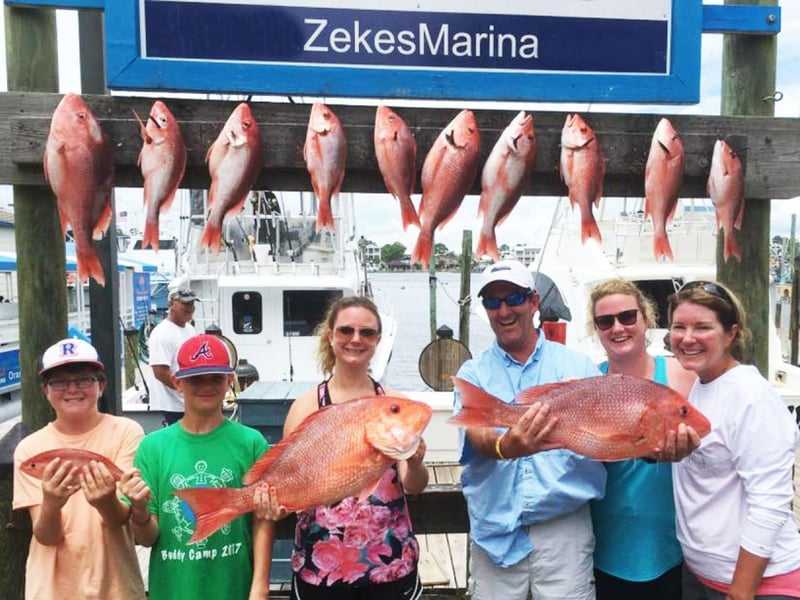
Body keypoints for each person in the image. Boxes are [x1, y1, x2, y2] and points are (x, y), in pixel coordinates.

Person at [454, 259, 606, 600]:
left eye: (514, 298)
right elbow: (476, 433)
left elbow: (602, 436)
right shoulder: (472, 373)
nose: (503, 310)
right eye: (492, 302)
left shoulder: (578, 367)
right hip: (495, 531)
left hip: (563, 530)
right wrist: (504, 448)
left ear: (534, 302)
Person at [279, 295, 429, 599]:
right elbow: (286, 480)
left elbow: (414, 486)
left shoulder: (393, 403)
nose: (355, 339)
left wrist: (414, 463)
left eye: (367, 333)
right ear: (331, 336)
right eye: (346, 331)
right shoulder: (306, 406)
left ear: (378, 340)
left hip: (389, 566)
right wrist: (273, 503)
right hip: (319, 570)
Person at [668, 280, 800, 600]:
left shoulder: (752, 397)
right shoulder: (705, 383)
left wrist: (740, 593)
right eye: (678, 327)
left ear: (731, 333)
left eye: (703, 327)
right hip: (703, 576)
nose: (687, 338)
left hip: (758, 586)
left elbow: (770, 502)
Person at [120, 333, 274, 600]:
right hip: (174, 590)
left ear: (229, 381)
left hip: (234, 587)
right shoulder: (152, 448)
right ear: (177, 382)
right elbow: (146, 537)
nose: (206, 386)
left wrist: (259, 586)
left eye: (216, 378)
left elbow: (263, 518)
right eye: (195, 379)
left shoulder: (251, 443)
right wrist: (140, 510)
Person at [587, 278, 699, 600]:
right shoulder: (590, 381)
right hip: (605, 545)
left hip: (672, 548)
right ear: (596, 329)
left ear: (646, 319)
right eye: (605, 321)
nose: (617, 327)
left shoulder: (682, 375)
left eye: (627, 317)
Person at [13, 338, 146, 599]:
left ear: (101, 385)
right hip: (52, 590)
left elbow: (118, 518)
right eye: (59, 382)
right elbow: (47, 536)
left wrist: (106, 500)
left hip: (115, 586)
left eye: (84, 379)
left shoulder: (127, 432)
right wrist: (51, 503)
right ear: (45, 391)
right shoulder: (29, 449)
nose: (72, 389)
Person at [148, 288, 198, 425]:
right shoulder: (162, 333)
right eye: (185, 304)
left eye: (192, 304)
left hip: (188, 405)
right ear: (171, 305)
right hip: (170, 408)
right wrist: (185, 391)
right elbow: (160, 372)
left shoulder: (190, 329)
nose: (190, 308)